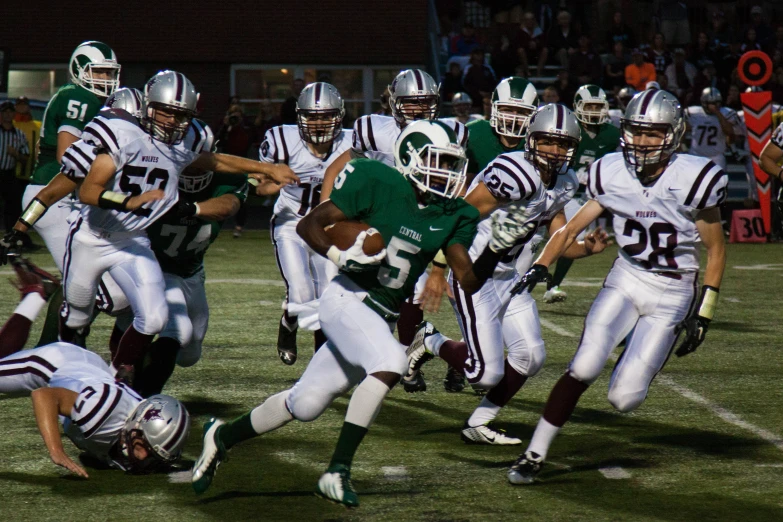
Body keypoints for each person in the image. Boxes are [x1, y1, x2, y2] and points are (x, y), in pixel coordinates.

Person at [190, 120, 537, 505]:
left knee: (305, 404)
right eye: (437, 161)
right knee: (390, 359)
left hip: (379, 313)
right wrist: (341, 255)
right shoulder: (378, 181)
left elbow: (468, 281)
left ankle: (221, 437)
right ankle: (337, 470)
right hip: (346, 298)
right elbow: (310, 224)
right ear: (410, 158)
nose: (448, 172)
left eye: (451, 163)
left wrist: (495, 250)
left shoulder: (454, 213)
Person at [506, 89, 727, 484]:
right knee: (584, 365)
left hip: (674, 292)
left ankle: (638, 346)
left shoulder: (693, 178)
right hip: (627, 277)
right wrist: (542, 265)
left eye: (653, 133)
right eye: (636, 132)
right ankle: (533, 454)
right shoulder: (611, 171)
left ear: (674, 134)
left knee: (624, 399)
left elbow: (715, 251)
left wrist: (704, 313)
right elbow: (571, 227)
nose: (642, 142)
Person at [58, 71, 298, 389]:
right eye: (166, 113)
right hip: (148, 259)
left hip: (191, 271)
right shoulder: (147, 154)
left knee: (190, 352)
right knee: (153, 321)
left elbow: (226, 191)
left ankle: (121, 368)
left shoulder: (203, 163)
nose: (171, 122)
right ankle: (123, 379)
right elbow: (92, 186)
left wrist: (264, 171)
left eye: (179, 116)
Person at [407, 104, 612, 444]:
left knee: (530, 356)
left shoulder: (565, 181)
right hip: (475, 274)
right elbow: (457, 218)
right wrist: (439, 269)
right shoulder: (513, 172)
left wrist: (586, 249)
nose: (555, 151)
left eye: (563, 144)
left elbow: (557, 237)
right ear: (531, 139)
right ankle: (430, 340)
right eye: (547, 141)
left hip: (511, 279)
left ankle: (478, 422)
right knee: (483, 374)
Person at [319, 69, 469, 391]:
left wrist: (439, 264)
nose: (417, 110)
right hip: (374, 219)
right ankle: (361, 359)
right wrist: (330, 215)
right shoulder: (372, 130)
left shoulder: (450, 132)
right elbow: (340, 166)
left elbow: (455, 194)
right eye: (410, 103)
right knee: (353, 291)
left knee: (406, 292)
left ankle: (408, 362)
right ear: (394, 102)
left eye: (425, 102)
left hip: (421, 219)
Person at [0, 255, 190, 477]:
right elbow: (44, 396)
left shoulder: (135, 422)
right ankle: (36, 293)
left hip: (89, 371)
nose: (143, 459)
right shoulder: (101, 412)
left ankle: (35, 293)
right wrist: (57, 451)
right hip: (56, 365)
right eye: (143, 448)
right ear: (136, 425)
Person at [408, 77, 539, 393]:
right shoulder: (473, 135)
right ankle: (455, 354)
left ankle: (461, 357)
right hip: (472, 248)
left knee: (526, 354)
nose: (513, 120)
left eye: (522, 113)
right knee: (484, 367)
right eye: (507, 110)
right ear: (492, 109)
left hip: (513, 256)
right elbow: (452, 188)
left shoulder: (540, 146)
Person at [256, 82, 353, 366]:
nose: (318, 122)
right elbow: (257, 186)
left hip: (328, 228)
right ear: (299, 116)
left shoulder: (352, 143)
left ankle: (323, 360)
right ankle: (288, 323)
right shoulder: (281, 140)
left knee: (330, 294)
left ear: (339, 116)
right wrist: (269, 186)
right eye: (311, 116)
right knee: (300, 294)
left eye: (325, 115)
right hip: (292, 224)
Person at [544, 85, 620, 303]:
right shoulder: (569, 128)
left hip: (587, 195)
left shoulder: (611, 133)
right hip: (562, 189)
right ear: (577, 106)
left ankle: (552, 283)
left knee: (572, 238)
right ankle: (543, 280)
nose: (594, 111)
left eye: (598, 106)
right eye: (590, 106)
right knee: (566, 236)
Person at [685, 87, 742, 169]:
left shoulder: (726, 113)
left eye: (716, 103)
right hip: (695, 155)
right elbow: (683, 129)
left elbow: (730, 132)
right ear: (704, 102)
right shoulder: (693, 113)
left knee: (719, 181)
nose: (713, 106)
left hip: (716, 157)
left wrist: (717, 113)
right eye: (710, 103)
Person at [0, 101, 30, 233]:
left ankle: (11, 236)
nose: (7, 114)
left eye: (10, 111)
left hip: (9, 174)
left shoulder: (19, 134)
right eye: (5, 111)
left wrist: (16, 154)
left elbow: (25, 158)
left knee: (12, 207)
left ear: (13, 114)